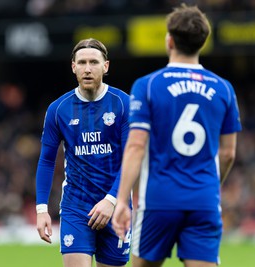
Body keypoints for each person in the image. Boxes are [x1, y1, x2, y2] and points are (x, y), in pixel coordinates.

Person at [112, 4, 242, 267]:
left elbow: (136, 146)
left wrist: (123, 200)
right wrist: (210, 187)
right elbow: (228, 153)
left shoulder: (147, 85)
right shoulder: (224, 89)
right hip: (204, 200)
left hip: (159, 200)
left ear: (169, 40)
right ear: (202, 43)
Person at [35, 38, 131, 267]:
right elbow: (46, 161)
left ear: (105, 66)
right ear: (73, 66)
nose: (88, 68)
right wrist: (41, 209)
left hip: (116, 207)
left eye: (94, 62)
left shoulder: (124, 104)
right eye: (82, 62)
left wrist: (111, 200)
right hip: (76, 207)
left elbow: (132, 159)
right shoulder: (58, 109)